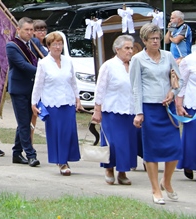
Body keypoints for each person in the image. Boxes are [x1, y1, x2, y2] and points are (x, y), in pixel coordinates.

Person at [130, 23, 182, 205]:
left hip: (167, 109)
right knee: (151, 151)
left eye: (157, 38)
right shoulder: (137, 59)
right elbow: (135, 88)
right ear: (144, 41)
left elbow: (179, 80)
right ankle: (155, 189)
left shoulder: (168, 56)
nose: (155, 41)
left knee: (175, 148)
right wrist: (138, 112)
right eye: (151, 39)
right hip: (149, 109)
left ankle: (166, 181)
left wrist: (173, 93)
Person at [31, 32, 81, 175]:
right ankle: (61, 161)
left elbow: (73, 81)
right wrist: (34, 103)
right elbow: (38, 85)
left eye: (60, 44)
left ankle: (66, 158)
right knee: (57, 133)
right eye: (54, 44)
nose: (58, 47)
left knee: (68, 132)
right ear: (49, 47)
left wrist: (77, 98)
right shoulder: (44, 63)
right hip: (52, 104)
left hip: (68, 102)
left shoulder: (68, 61)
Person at [92, 35, 137, 185]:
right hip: (112, 110)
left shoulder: (134, 65)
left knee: (127, 143)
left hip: (130, 110)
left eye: (131, 48)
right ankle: (109, 169)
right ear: (117, 49)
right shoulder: (109, 66)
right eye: (126, 48)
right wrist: (97, 109)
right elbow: (100, 88)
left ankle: (122, 172)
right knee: (113, 143)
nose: (130, 51)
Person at [7, 17, 40, 167]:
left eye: (32, 30)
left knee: (25, 122)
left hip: (33, 88)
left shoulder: (35, 43)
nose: (29, 33)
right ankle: (31, 154)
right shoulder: (12, 45)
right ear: (18, 29)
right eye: (26, 30)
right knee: (24, 123)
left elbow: (45, 57)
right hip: (19, 89)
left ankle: (16, 153)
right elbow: (22, 65)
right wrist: (42, 72)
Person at [177, 52, 196, 180]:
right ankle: (189, 163)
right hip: (192, 104)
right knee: (192, 137)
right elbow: (181, 84)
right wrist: (179, 104)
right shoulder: (189, 60)